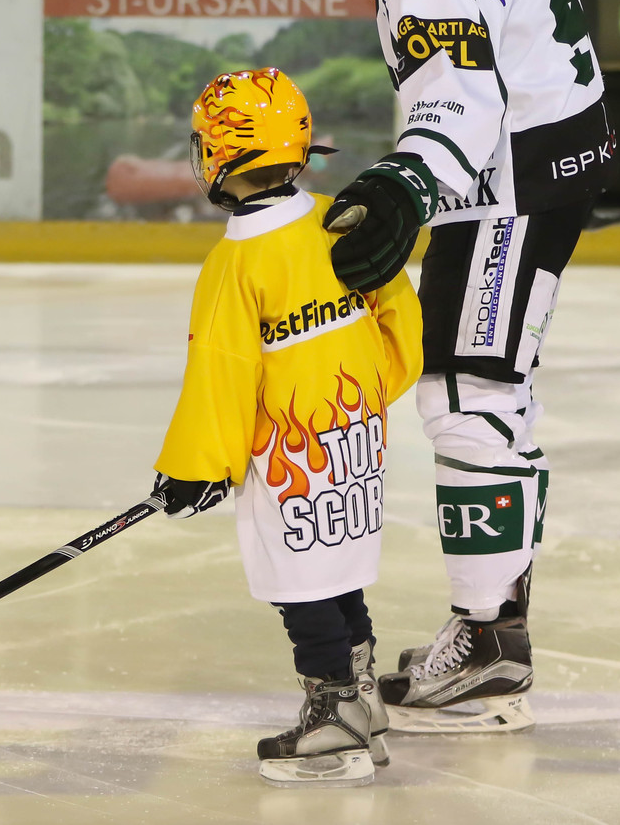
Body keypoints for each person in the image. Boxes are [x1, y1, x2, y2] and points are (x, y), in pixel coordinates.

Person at [250, 0, 617, 732]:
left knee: (466, 396)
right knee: (487, 390)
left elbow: (457, 98)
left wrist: (404, 187)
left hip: (510, 167)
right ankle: (498, 621)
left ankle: (490, 641)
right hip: (540, 138)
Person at [151, 67, 422, 785]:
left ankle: (335, 716)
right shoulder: (341, 220)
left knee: (298, 579)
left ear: (218, 153)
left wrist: (197, 467)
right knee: (339, 565)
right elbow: (399, 320)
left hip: (288, 452)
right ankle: (362, 700)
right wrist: (364, 402)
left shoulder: (235, 263)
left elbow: (220, 376)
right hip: (354, 438)